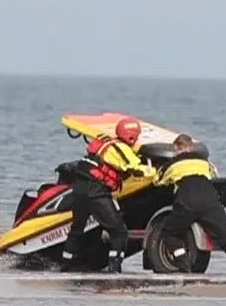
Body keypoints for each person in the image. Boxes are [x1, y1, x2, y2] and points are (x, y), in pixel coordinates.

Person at [59, 116, 155, 272]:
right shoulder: (121, 149)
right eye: (136, 135)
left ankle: (65, 264)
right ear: (131, 135)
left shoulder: (105, 143)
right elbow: (136, 169)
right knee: (119, 232)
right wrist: (156, 172)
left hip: (80, 189)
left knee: (77, 229)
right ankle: (114, 268)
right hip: (96, 191)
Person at [154, 133, 226, 275]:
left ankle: (185, 267)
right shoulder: (205, 162)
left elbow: (158, 181)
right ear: (191, 147)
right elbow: (214, 177)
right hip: (210, 201)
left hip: (187, 201)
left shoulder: (172, 164)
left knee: (170, 233)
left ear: (176, 148)